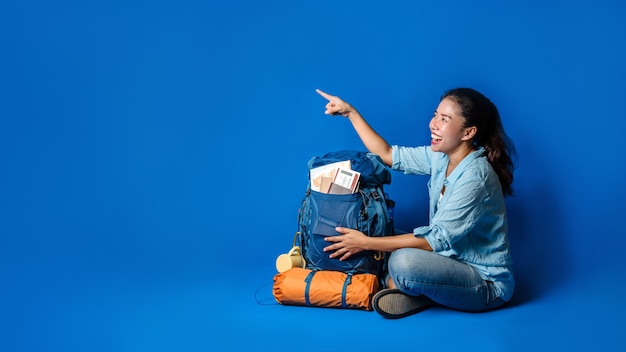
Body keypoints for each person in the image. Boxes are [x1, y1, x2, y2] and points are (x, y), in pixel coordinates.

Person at [316, 87, 516, 319]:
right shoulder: (441, 156)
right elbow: (388, 154)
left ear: (468, 132)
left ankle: (411, 289)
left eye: (445, 119)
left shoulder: (476, 176)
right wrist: (350, 112)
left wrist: (367, 243)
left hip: (484, 284)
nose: (434, 124)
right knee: (380, 232)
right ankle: (413, 288)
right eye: (435, 115)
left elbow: (434, 240)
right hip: (446, 261)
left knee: (402, 261)